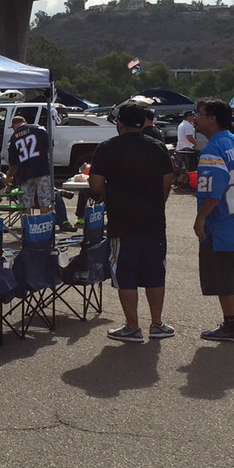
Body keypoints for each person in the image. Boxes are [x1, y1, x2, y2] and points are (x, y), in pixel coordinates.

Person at [88, 103, 175, 343]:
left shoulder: (107, 148)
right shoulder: (157, 147)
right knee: (156, 273)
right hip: (154, 222)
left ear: (120, 124)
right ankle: (157, 324)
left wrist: (112, 192)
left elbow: (95, 185)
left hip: (122, 222)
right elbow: (166, 183)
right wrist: (155, 202)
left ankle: (132, 326)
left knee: (125, 274)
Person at [192, 99, 234, 342]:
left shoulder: (213, 149)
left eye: (199, 114)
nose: (195, 118)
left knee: (225, 276)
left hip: (223, 222)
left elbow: (213, 190)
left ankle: (231, 326)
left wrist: (201, 218)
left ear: (213, 118)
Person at [5, 114, 66, 225]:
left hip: (24, 173)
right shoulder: (38, 128)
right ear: (25, 121)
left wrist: (9, 177)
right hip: (41, 169)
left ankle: (28, 229)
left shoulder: (13, 137)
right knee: (44, 200)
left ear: (14, 126)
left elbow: (12, 163)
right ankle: (45, 227)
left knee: (26, 203)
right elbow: (49, 146)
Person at [173, 109, 199, 188]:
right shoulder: (188, 125)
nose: (193, 118)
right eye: (192, 116)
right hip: (187, 148)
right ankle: (182, 182)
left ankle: (182, 181)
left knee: (183, 167)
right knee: (189, 167)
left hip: (181, 147)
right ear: (188, 117)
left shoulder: (182, 124)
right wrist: (197, 144)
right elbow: (189, 137)